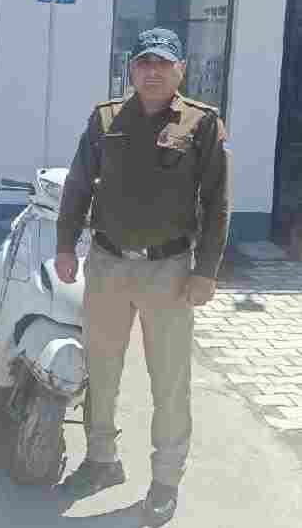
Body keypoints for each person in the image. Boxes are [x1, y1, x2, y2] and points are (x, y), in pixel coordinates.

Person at [55, 28, 231, 526]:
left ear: (181, 70)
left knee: (169, 380)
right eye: (143, 63)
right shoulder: (105, 119)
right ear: (131, 69)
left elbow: (217, 203)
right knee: (101, 369)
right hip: (108, 264)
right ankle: (101, 459)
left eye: (163, 63)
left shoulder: (202, 123)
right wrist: (66, 244)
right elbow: (78, 184)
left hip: (167, 271)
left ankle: (165, 481)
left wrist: (206, 271)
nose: (152, 72)